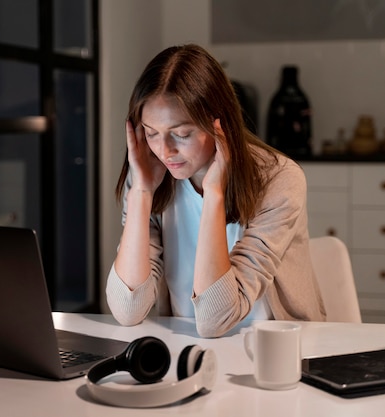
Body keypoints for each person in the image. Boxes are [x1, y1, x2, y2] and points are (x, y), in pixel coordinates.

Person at [106, 44, 325, 338]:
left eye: (182, 134)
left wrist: (214, 195)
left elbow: (215, 320)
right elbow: (127, 310)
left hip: (274, 348)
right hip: (187, 347)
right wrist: (142, 195)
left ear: (219, 124)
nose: (165, 151)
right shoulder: (150, 177)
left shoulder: (280, 179)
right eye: (151, 133)